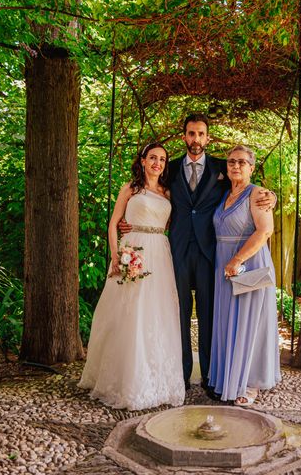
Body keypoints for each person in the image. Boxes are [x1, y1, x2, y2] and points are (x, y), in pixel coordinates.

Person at [119, 114, 275, 400]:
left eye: (201, 134)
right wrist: (127, 220)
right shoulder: (171, 168)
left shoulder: (222, 167)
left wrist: (271, 196)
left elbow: (248, 191)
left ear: (208, 138)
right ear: (184, 137)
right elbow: (147, 190)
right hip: (176, 251)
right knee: (177, 313)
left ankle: (209, 376)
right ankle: (179, 373)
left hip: (210, 254)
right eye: (191, 134)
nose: (195, 139)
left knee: (209, 314)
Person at [78, 143, 185, 411]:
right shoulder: (131, 188)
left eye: (162, 159)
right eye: (153, 158)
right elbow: (113, 223)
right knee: (129, 313)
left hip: (159, 253)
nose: (157, 163)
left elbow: (170, 224)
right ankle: (125, 380)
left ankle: (156, 379)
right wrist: (116, 256)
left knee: (157, 314)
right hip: (132, 250)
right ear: (143, 160)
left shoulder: (168, 192)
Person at [208, 145, 281, 406]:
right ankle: (229, 377)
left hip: (247, 263)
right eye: (231, 162)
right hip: (224, 265)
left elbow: (265, 231)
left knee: (250, 324)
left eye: (241, 162)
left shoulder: (258, 194)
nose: (235, 166)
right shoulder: (224, 194)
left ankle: (250, 384)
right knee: (230, 323)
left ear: (252, 167)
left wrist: (237, 259)